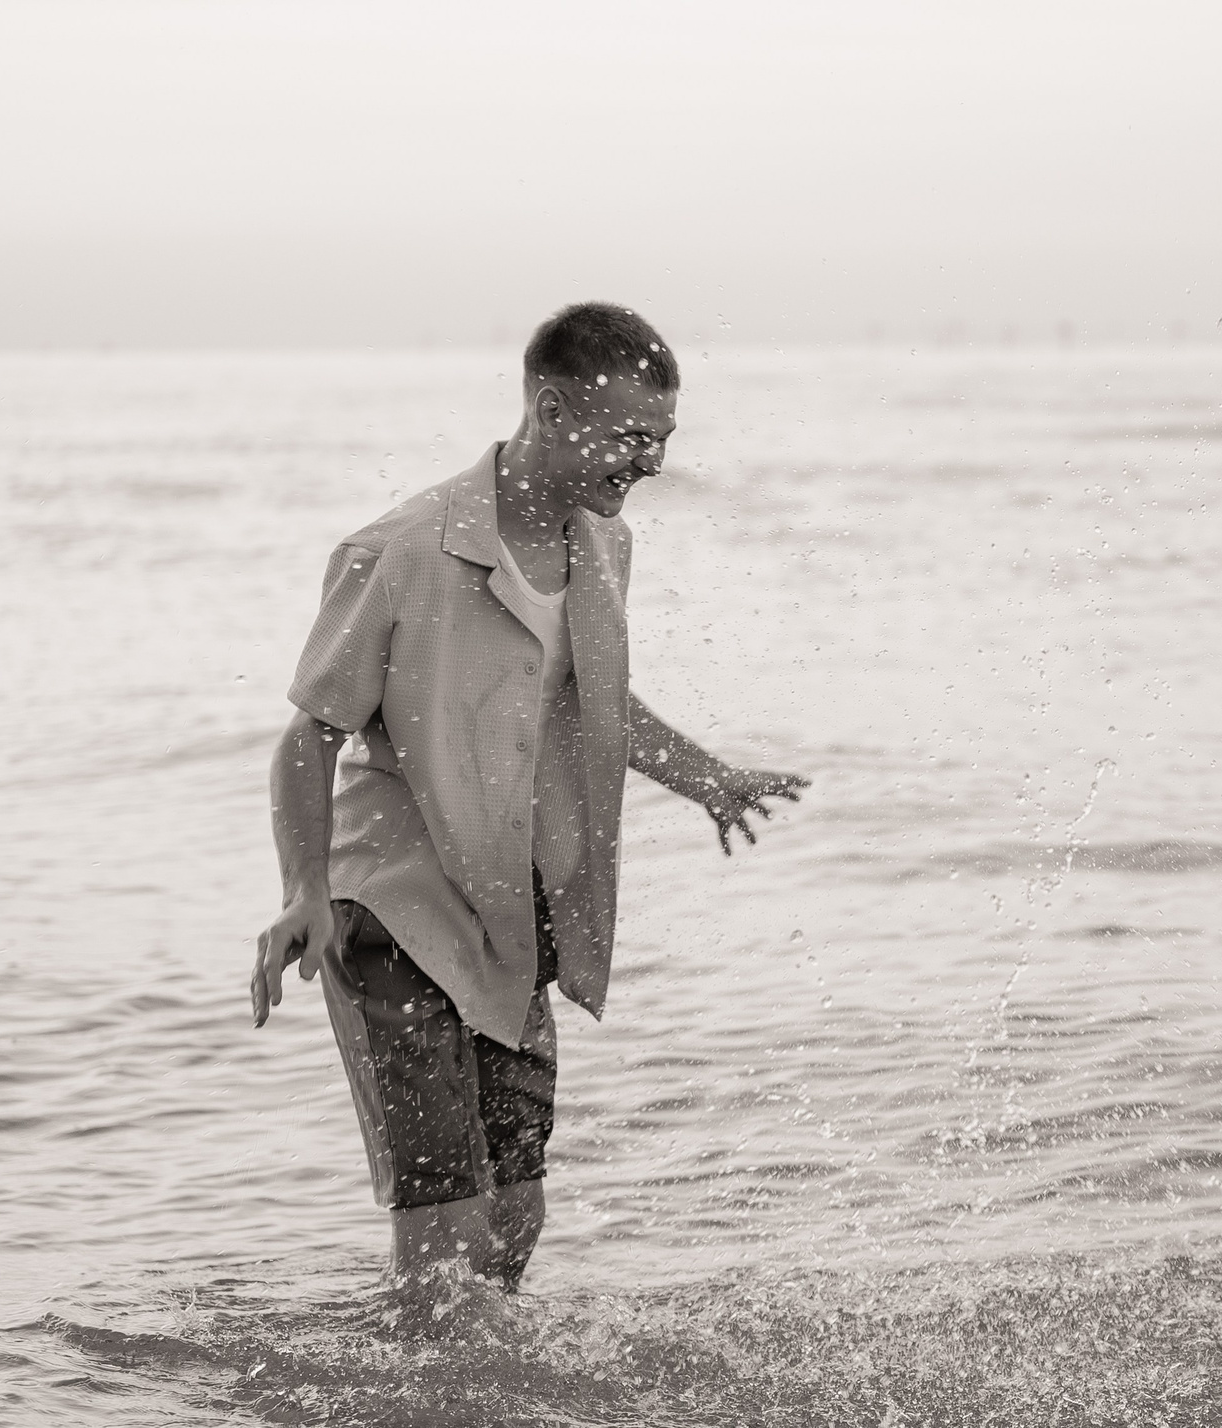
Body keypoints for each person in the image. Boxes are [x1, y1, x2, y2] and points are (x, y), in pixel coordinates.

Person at [249, 302, 806, 1315]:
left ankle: (459, 1427)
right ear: (551, 407)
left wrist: (706, 777)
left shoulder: (603, 546)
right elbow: (308, 736)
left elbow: (582, 694)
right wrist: (302, 890)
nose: (649, 464)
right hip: (396, 913)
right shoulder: (403, 551)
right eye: (632, 437)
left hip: (515, 914)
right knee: (446, 1238)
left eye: (664, 441)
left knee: (513, 1223)